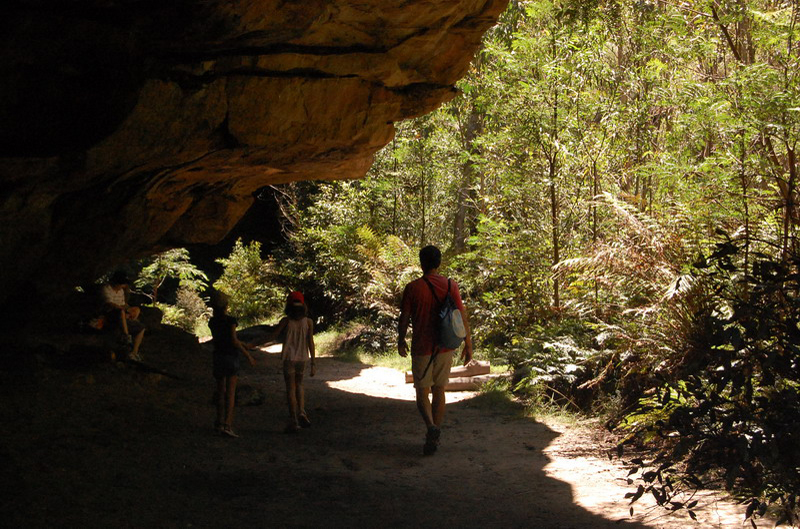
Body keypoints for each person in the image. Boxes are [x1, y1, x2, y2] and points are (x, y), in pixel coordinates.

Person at [398, 245, 473, 455]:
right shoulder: (450, 285)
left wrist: (401, 340)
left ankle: (431, 426)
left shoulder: (412, 288)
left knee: (422, 391)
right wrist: (468, 344)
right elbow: (461, 316)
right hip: (445, 346)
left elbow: (404, 317)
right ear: (438, 263)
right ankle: (435, 433)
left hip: (422, 346)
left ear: (421, 263)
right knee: (439, 389)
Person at [209, 291, 256, 438]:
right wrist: (248, 355)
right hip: (231, 357)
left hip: (218, 356)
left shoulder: (212, 322)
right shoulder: (231, 321)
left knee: (220, 391)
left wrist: (243, 344)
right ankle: (227, 425)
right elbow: (233, 340)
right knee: (230, 394)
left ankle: (218, 422)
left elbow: (224, 338)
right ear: (226, 305)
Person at [269, 291, 316, 434]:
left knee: (290, 388)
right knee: (299, 384)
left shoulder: (286, 321)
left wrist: (252, 344)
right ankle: (302, 411)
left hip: (289, 357)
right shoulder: (308, 322)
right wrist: (313, 363)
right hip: (302, 357)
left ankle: (293, 420)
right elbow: (311, 342)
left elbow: (273, 335)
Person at [101, 270, 145, 361]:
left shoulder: (121, 291)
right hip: (111, 314)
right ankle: (126, 334)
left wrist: (130, 310)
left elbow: (123, 304)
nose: (123, 286)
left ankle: (134, 352)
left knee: (140, 324)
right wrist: (124, 310)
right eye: (122, 283)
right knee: (121, 312)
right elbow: (110, 304)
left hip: (122, 313)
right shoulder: (107, 289)